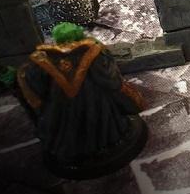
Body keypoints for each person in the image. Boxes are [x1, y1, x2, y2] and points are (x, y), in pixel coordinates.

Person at [17, 22, 146, 178]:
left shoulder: (43, 60)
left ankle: (76, 151)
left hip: (60, 107)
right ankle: (106, 143)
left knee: (68, 128)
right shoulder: (92, 52)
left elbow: (36, 87)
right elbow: (109, 79)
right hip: (95, 101)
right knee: (102, 123)